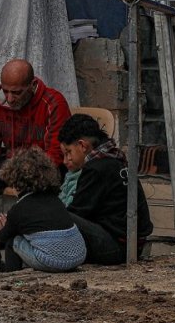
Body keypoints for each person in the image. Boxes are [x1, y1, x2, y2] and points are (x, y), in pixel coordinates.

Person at [0, 58, 72, 236]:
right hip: (14, 163)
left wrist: (28, 171)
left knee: (38, 182)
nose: (10, 99)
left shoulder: (53, 103)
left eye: (17, 93)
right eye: (6, 91)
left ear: (32, 85)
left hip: (44, 165)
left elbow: (56, 153)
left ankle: (26, 239)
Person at [59, 113, 152, 265]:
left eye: (68, 152)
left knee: (62, 217)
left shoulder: (96, 169)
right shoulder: (116, 158)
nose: (66, 160)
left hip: (117, 248)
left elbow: (77, 212)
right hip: (132, 244)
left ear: (82, 146)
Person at [0, 148, 86, 273]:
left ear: (14, 181)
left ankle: (11, 275)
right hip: (78, 255)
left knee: (12, 241)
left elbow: (4, 237)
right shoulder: (55, 199)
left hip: (53, 261)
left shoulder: (19, 209)